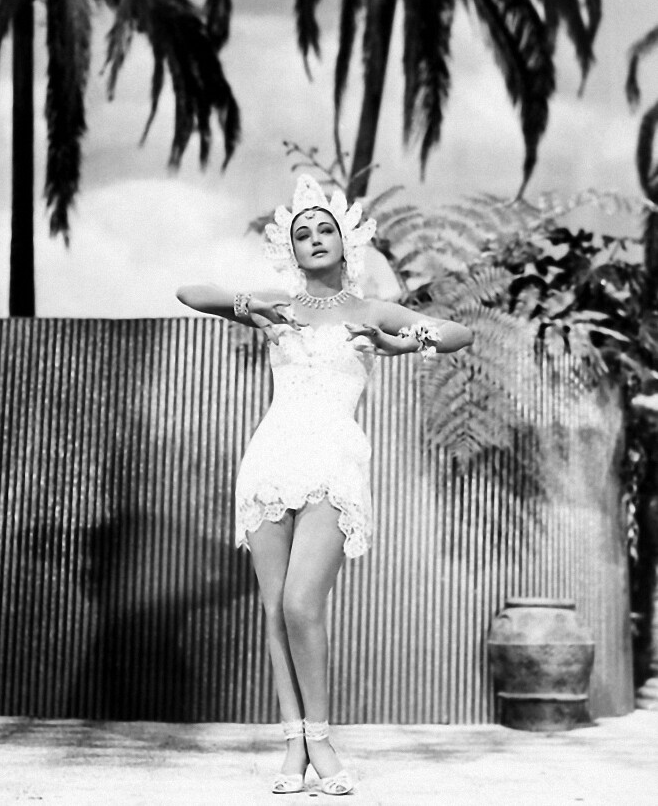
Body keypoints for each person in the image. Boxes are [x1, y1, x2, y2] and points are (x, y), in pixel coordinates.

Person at [176, 175, 473, 795]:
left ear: (346, 242)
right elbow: (188, 292)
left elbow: (457, 334)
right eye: (302, 233)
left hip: (334, 462)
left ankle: (322, 738)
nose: (314, 238)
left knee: (300, 603)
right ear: (291, 250)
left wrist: (400, 344)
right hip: (269, 461)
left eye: (325, 229)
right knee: (273, 608)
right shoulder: (279, 305)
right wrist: (246, 305)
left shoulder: (370, 312)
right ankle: (294, 746)